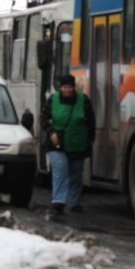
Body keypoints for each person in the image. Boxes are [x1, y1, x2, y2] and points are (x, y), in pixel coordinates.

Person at [39, 73, 95, 215]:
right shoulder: (53, 100)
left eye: (70, 87)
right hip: (56, 143)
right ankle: (58, 201)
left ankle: (74, 202)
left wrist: (90, 139)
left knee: (76, 173)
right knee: (61, 169)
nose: (67, 90)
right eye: (65, 87)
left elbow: (91, 121)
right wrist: (50, 132)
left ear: (74, 87)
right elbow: (43, 117)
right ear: (60, 88)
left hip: (77, 142)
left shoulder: (84, 101)